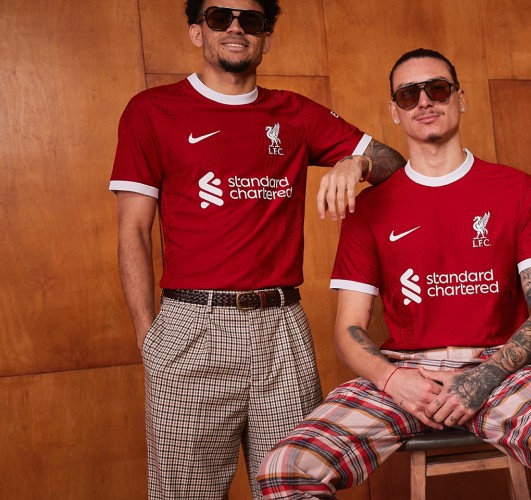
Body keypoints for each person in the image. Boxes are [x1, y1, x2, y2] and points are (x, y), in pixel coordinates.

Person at [256, 48, 531, 499]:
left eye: (437, 89)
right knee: (287, 468)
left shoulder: (518, 189)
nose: (424, 101)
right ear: (395, 112)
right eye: (409, 94)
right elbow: (347, 330)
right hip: (405, 370)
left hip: (502, 367)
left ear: (460, 98)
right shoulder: (368, 209)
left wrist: (480, 380)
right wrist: (392, 379)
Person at [109, 1, 405, 498]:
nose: (235, 28)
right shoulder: (152, 110)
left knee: (298, 486)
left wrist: (355, 164)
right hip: (192, 325)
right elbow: (133, 230)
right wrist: (148, 337)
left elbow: (395, 167)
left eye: (250, 20)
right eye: (219, 17)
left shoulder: (296, 113)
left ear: (266, 37)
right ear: (196, 32)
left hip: (282, 325)